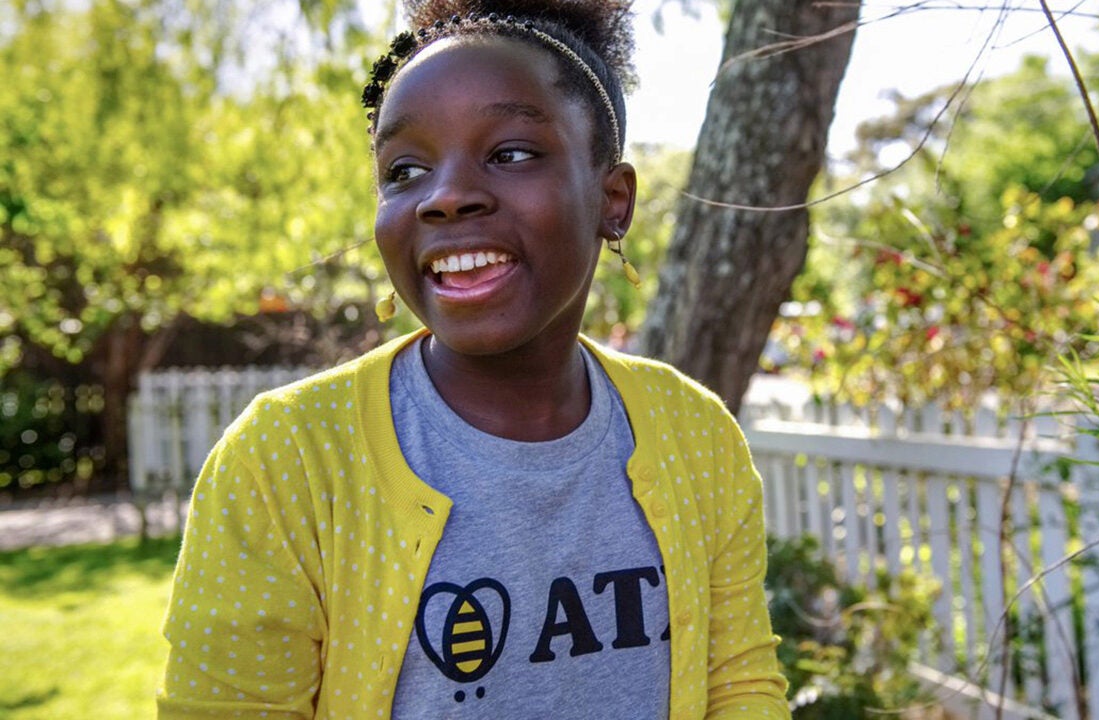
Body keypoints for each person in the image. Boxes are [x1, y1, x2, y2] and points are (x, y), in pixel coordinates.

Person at [157, 1, 789, 717]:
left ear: (613, 201)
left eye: (510, 153)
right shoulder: (285, 461)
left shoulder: (695, 435)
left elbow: (741, 686)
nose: (446, 196)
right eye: (404, 169)